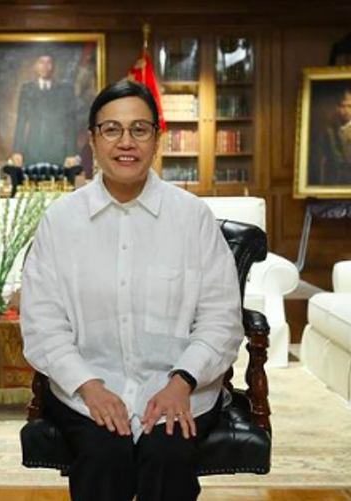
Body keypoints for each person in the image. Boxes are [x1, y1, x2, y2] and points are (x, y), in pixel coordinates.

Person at [21, 79, 244, 501]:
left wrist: (182, 381)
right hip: (85, 389)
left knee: (167, 454)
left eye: (139, 129)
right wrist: (89, 386)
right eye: (112, 130)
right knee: (103, 452)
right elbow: (42, 325)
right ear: (92, 140)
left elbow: (221, 319)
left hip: (181, 389)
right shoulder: (61, 221)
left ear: (157, 140)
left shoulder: (192, 217)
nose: (126, 142)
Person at [11, 53, 79, 168]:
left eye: (48, 62)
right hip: (33, 149)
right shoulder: (27, 89)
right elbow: (21, 121)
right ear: (36, 65)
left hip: (59, 150)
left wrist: (71, 153)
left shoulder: (65, 90)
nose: (45, 66)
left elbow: (71, 122)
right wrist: (17, 151)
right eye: (41, 62)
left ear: (53, 66)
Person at [316, 87, 351, 185]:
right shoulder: (329, 131)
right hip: (335, 180)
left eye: (350, 106)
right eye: (342, 106)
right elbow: (324, 159)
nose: (346, 110)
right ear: (337, 108)